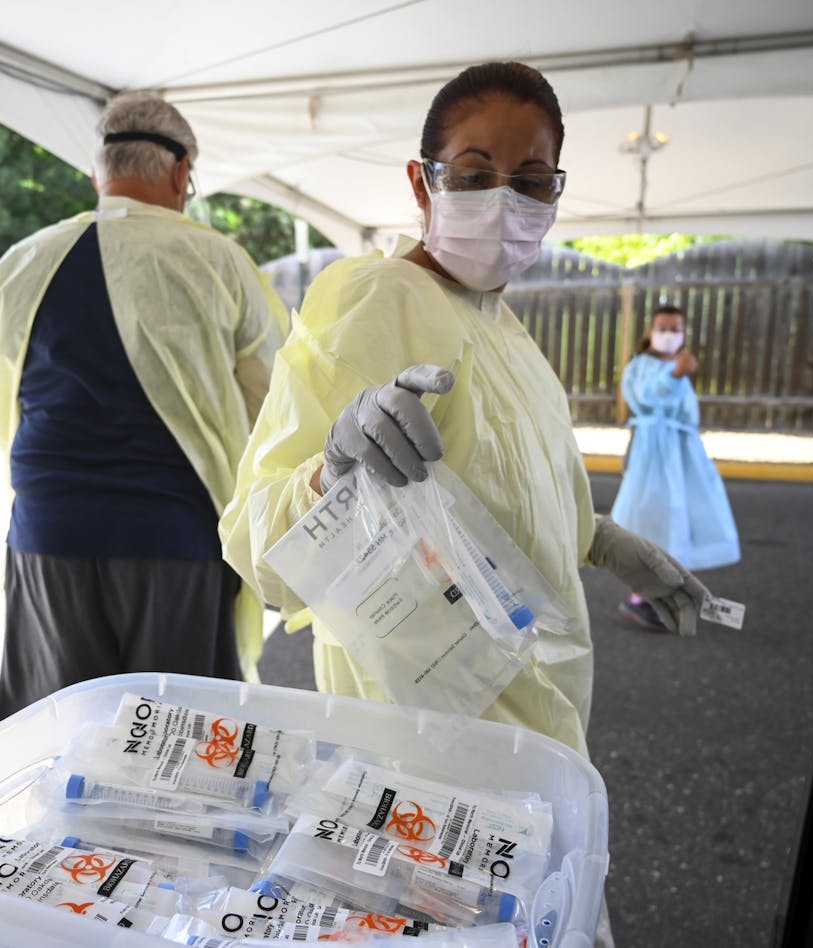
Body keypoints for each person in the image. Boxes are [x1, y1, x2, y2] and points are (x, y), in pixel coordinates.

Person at [220, 62, 709, 945]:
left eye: (529, 182)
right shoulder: (373, 302)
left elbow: (508, 496)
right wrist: (330, 471)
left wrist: (601, 539)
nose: (504, 202)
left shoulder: (502, 325)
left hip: (538, 737)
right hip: (421, 766)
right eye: (476, 174)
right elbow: (256, 543)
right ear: (423, 181)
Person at [0, 91, 286, 723]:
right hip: (175, 538)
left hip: (46, 534)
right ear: (181, 174)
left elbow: (0, 402)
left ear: (99, 173)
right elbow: (274, 406)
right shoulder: (218, 261)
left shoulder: (19, 264)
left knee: (60, 741)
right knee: (175, 752)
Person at [612, 305, 740, 631]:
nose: (669, 334)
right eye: (663, 327)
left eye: (676, 328)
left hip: (680, 455)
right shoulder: (642, 366)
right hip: (653, 456)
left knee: (676, 522)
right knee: (650, 522)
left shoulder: (674, 366)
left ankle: (661, 595)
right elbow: (647, 397)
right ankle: (642, 596)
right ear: (650, 331)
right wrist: (675, 375)